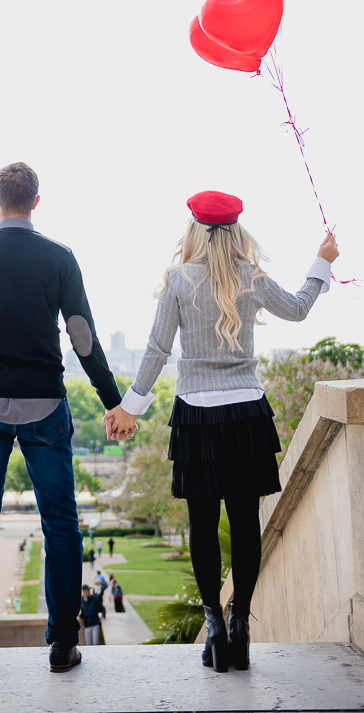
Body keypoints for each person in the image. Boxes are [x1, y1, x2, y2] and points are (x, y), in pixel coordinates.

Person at [106, 191, 338, 674]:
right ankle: (240, 625)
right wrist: (321, 261)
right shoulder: (249, 275)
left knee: (202, 526)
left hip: (197, 414)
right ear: (235, 230)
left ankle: (213, 623)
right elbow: (297, 308)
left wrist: (130, 408)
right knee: (246, 524)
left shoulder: (177, 280)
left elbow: (155, 349)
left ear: (193, 229)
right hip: (246, 413)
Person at [0, 163, 125, 675]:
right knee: (61, 525)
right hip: (45, 405)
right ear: (36, 202)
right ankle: (63, 646)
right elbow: (83, 338)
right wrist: (113, 401)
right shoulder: (59, 258)